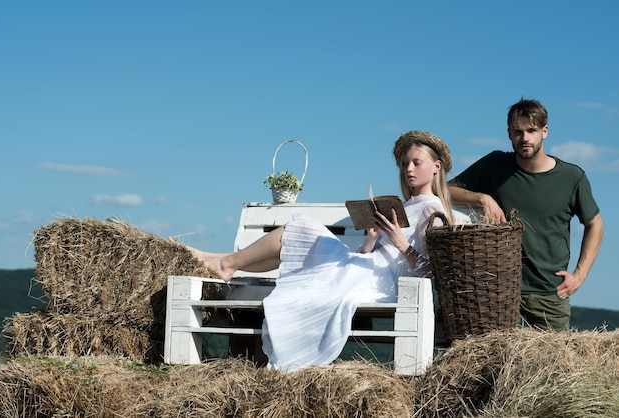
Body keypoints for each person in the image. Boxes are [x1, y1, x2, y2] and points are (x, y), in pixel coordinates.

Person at [184, 130, 454, 371]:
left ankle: (224, 263)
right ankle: (223, 262)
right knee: (300, 240)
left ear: (436, 167)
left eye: (416, 163)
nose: (409, 168)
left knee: (301, 229)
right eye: (405, 163)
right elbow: (368, 256)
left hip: (383, 283)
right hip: (365, 267)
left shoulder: (432, 209)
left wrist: (399, 242)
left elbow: (431, 271)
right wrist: (372, 238)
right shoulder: (403, 206)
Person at [448, 98, 603, 331]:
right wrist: (482, 198)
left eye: (531, 130)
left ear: (544, 131)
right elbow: (444, 191)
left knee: (552, 366)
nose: (525, 138)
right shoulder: (494, 165)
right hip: (497, 291)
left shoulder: (572, 177)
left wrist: (579, 275)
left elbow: (595, 225)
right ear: (509, 134)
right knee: (492, 364)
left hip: (549, 295)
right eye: (518, 132)